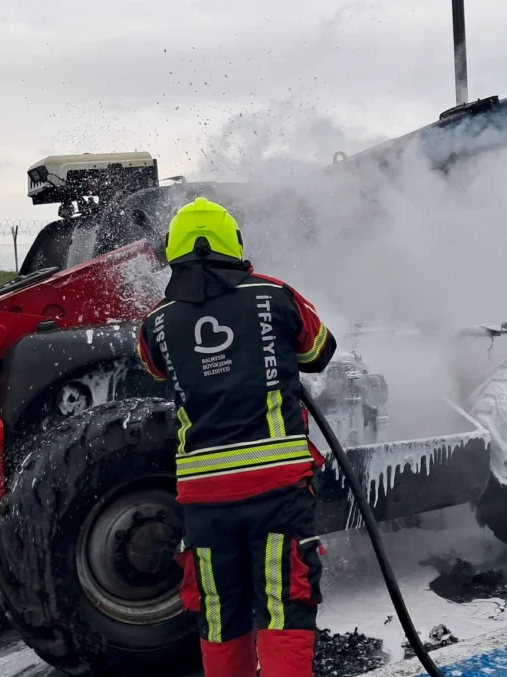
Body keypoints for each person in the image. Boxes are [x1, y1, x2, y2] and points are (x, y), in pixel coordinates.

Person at [135, 196, 337, 677]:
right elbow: (320, 350)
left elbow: (154, 368)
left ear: (174, 252)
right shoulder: (275, 295)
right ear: (235, 244)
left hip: (204, 502)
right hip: (277, 493)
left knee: (219, 614)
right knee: (284, 603)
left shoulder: (156, 323)